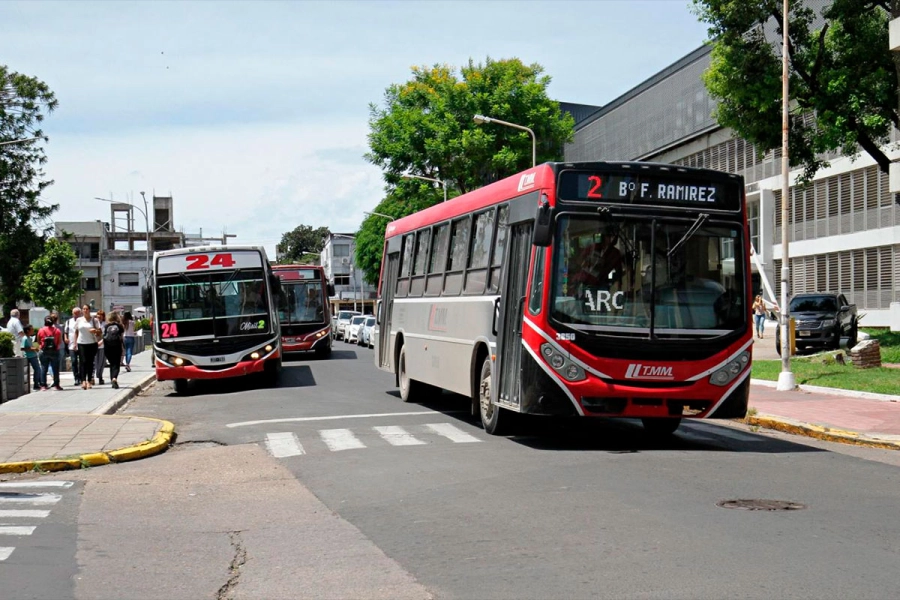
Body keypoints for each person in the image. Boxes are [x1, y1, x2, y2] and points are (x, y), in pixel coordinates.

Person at [74, 305, 101, 390]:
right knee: (83, 362)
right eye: (84, 309)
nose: (85, 310)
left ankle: (89, 380)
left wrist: (95, 331)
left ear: (89, 310)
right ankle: (83, 381)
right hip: (81, 342)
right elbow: (76, 332)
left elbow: (99, 332)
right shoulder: (79, 320)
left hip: (92, 343)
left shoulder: (94, 320)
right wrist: (75, 343)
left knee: (90, 362)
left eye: (86, 309)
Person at [37, 316, 63, 391]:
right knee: (55, 369)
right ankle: (56, 385)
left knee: (44, 368)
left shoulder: (41, 330)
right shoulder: (57, 330)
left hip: (44, 351)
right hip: (54, 351)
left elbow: (38, 341)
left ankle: (43, 385)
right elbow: (59, 341)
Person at [103, 312, 125, 389]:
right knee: (116, 364)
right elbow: (121, 337)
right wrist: (122, 347)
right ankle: (114, 378)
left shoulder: (106, 326)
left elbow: (104, 336)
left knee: (112, 363)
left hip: (108, 347)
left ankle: (112, 378)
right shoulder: (120, 326)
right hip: (117, 346)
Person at [21, 324, 45, 391]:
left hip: (33, 355)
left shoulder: (29, 338)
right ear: (28, 330)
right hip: (30, 356)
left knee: (38, 369)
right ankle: (36, 384)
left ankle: (39, 383)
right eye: (31, 329)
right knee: (37, 369)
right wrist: (33, 348)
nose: (33, 331)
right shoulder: (25, 338)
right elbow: (22, 348)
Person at [65, 306, 83, 386]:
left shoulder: (83, 321)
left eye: (77, 313)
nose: (75, 315)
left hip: (82, 343)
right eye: (74, 313)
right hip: (71, 344)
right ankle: (76, 378)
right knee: (74, 361)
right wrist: (65, 338)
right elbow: (66, 331)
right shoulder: (69, 321)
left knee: (82, 362)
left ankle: (81, 377)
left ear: (80, 313)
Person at [94, 310, 107, 385]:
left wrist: (101, 342)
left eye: (100, 315)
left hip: (102, 345)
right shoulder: (94, 323)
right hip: (94, 344)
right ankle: (93, 376)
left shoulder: (105, 324)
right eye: (98, 315)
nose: (99, 316)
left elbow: (106, 335)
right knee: (95, 361)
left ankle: (100, 376)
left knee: (101, 362)